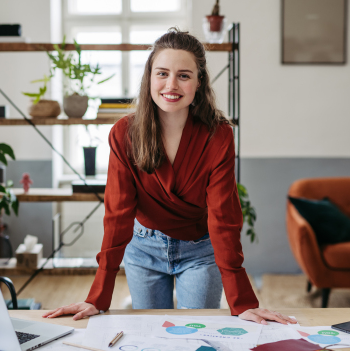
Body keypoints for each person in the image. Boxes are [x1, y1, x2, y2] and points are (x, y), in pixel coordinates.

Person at [43, 29, 296, 326]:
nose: (171, 85)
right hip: (143, 250)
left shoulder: (219, 135)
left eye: (184, 75)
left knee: (198, 335)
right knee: (151, 340)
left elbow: (223, 216)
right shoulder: (124, 134)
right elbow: (117, 215)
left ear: (198, 82)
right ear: (149, 77)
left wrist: (242, 303)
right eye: (162, 73)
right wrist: (97, 297)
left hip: (200, 250)